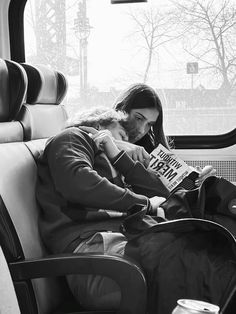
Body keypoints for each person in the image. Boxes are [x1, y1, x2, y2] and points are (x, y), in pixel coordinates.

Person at [36, 107, 169, 310]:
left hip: (116, 240)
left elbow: (162, 192)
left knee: (201, 256)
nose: (126, 144)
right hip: (94, 248)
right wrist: (144, 203)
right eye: (121, 135)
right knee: (188, 267)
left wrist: (118, 155)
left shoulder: (110, 156)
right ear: (99, 126)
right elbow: (77, 183)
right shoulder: (72, 137)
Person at [113, 83, 216, 186]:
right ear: (122, 109)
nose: (141, 130)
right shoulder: (101, 140)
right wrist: (115, 144)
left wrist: (202, 176)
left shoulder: (148, 150)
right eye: (139, 118)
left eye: (149, 124)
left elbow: (178, 177)